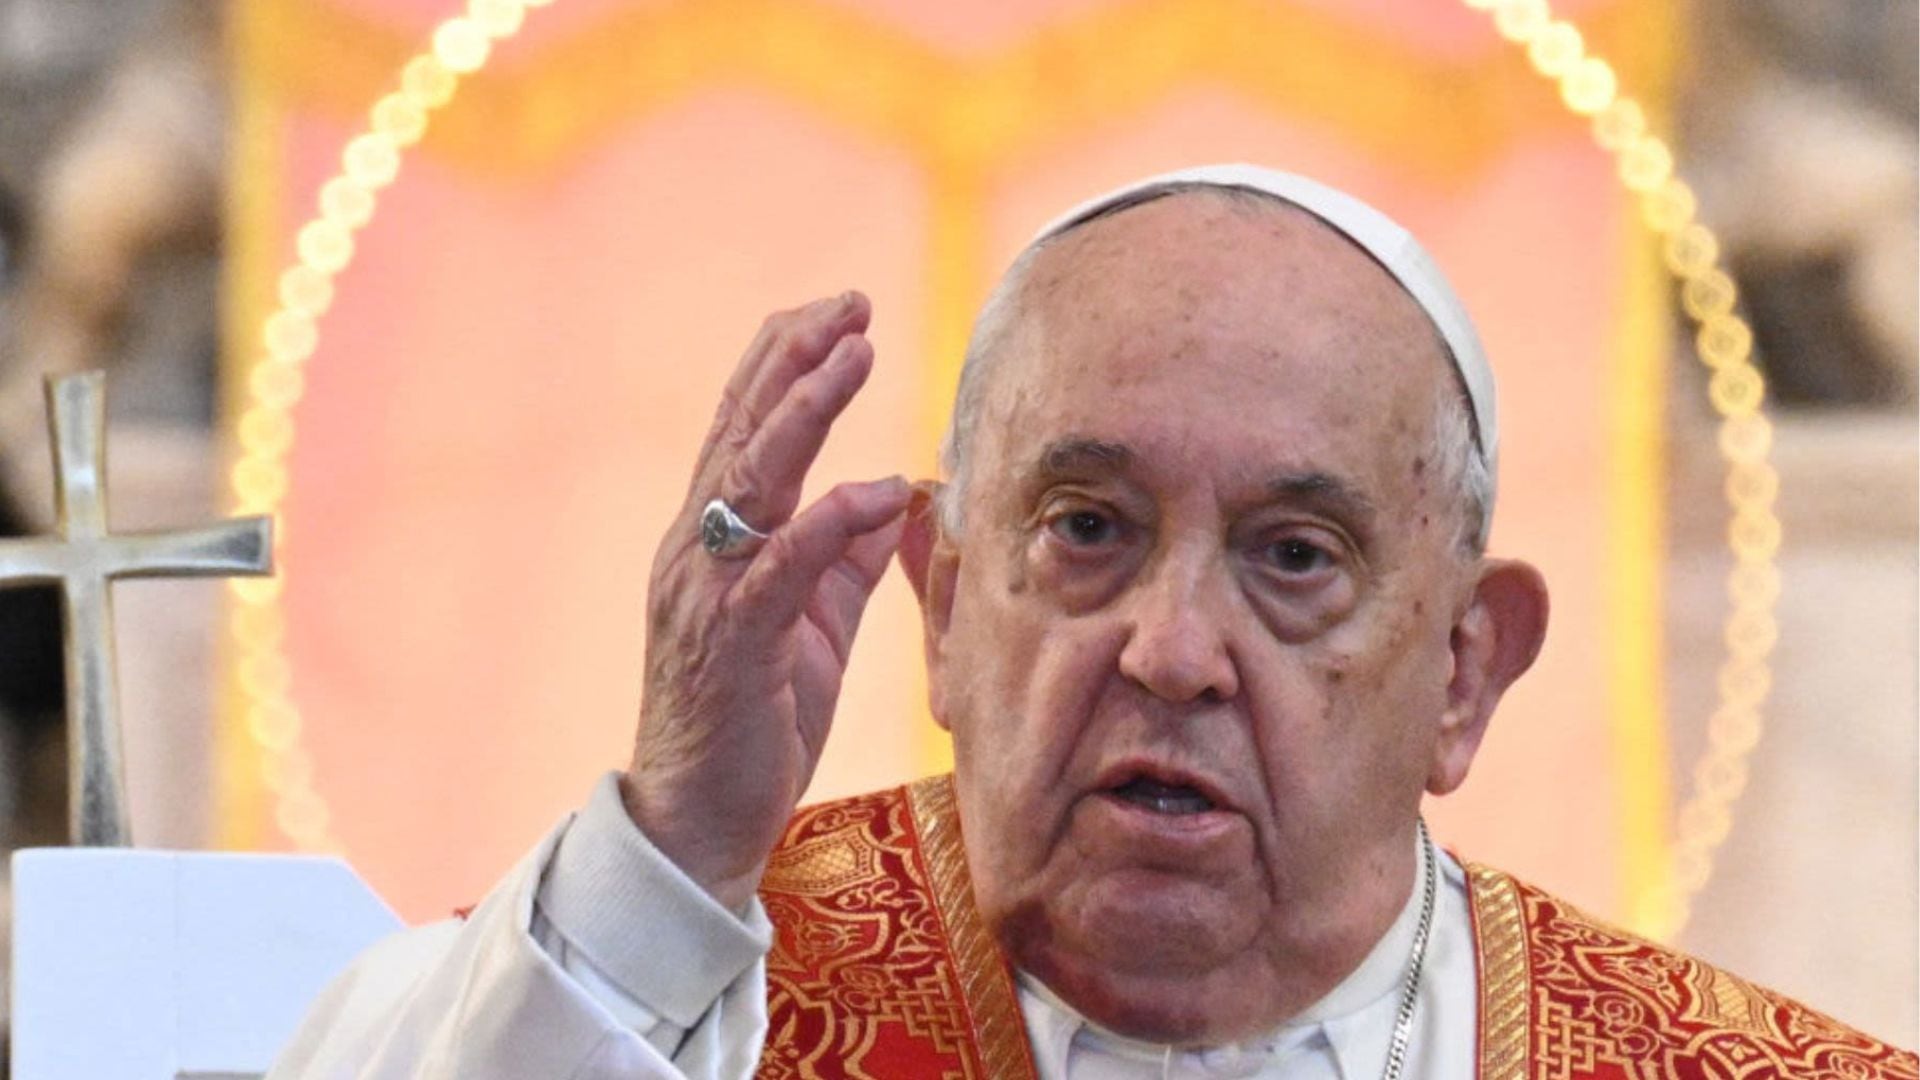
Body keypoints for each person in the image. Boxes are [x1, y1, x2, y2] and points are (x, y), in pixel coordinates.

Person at [269, 166, 1916, 1079]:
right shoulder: (671, 1002)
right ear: (942, 603)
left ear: (1465, 673)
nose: (1172, 648)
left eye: (1293, 555)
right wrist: (666, 861)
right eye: (1087, 530)